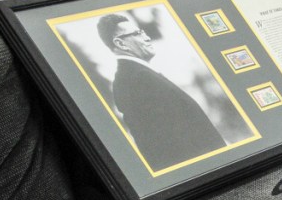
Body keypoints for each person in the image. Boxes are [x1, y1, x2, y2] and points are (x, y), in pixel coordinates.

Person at [96, 12, 228, 172]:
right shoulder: (139, 78)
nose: (147, 37)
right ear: (121, 44)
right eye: (137, 33)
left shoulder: (134, 75)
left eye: (142, 31)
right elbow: (174, 143)